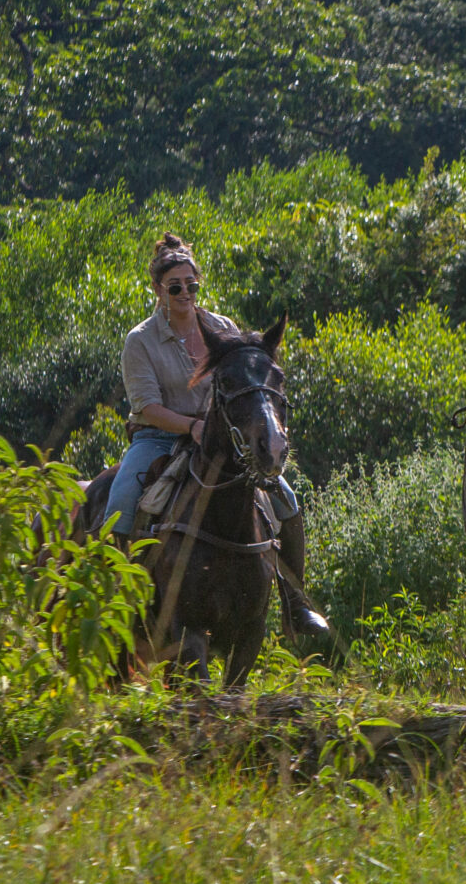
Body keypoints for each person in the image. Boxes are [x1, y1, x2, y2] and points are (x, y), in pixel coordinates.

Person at [109, 234, 330, 645]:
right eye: (175, 286)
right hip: (158, 438)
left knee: (286, 500)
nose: (184, 293)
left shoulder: (222, 329)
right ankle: (121, 601)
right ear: (158, 290)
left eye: (191, 285)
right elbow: (147, 406)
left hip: (217, 439)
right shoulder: (139, 341)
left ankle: (295, 604)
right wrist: (190, 426)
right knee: (121, 497)